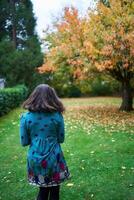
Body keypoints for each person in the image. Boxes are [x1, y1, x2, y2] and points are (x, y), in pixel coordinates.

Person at [19, 84, 70, 200]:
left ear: (34, 97)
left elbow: (24, 142)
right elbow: (61, 139)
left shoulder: (25, 117)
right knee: (55, 191)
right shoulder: (57, 116)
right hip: (54, 158)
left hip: (35, 158)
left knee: (42, 191)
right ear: (52, 97)